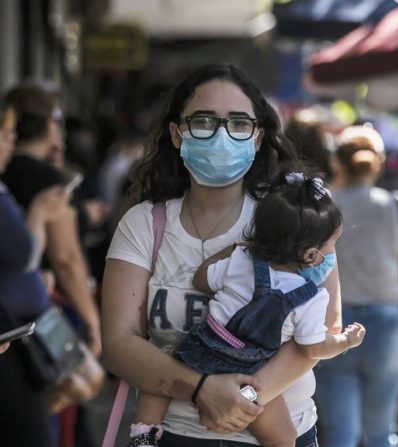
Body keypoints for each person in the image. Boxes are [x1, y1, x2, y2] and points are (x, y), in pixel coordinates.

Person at [103, 64, 342, 447]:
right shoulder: (144, 223)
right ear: (177, 135)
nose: (221, 134)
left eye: (238, 123)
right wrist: (202, 390)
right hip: (175, 436)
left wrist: (244, 398)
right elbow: (119, 344)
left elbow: (322, 330)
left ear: (259, 136)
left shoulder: (291, 218)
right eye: (203, 120)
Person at [128, 168, 365, 447]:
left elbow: (201, 279)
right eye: (331, 245)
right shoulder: (311, 298)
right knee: (284, 437)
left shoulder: (241, 260)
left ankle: (141, 439)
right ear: (311, 255)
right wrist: (346, 341)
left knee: (157, 383)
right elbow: (312, 348)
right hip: (251, 374)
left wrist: (239, 250)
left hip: (202, 347)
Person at [314, 125, 398, 447]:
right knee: (381, 431)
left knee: (339, 434)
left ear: (337, 163)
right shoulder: (396, 205)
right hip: (387, 322)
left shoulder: (324, 205)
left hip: (331, 323)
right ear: (379, 163)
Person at [1, 84, 102, 356]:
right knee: (72, 384)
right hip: (44, 311)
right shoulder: (49, 184)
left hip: (12, 314)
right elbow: (66, 258)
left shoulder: (5, 174)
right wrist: (93, 321)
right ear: (49, 125)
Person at [0, 102, 73, 446]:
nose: (9, 144)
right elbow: (63, 258)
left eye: (13, 135)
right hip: (21, 331)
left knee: (65, 395)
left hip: (28, 324)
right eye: (4, 136)